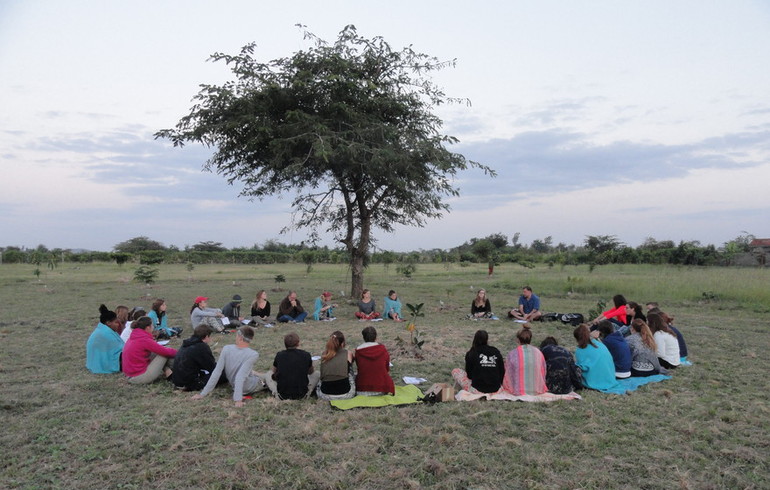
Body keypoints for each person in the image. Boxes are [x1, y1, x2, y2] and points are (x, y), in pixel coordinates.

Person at [193, 326, 264, 407]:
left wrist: (203, 394)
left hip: (238, 384)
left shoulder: (226, 349)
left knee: (254, 373)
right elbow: (240, 377)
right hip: (248, 386)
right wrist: (238, 399)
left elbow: (217, 372)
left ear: (240, 338)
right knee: (268, 377)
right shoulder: (253, 354)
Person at [263, 332, 320, 400]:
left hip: (282, 396)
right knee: (317, 374)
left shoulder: (280, 355)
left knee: (268, 374)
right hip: (302, 395)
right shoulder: (306, 355)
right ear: (298, 343)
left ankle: (275, 392)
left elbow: (273, 371)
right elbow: (311, 372)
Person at [123, 316, 178, 384]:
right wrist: (180, 353)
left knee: (160, 352)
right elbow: (165, 352)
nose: (153, 327)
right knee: (163, 354)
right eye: (152, 325)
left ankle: (170, 372)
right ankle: (178, 368)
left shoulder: (135, 336)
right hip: (138, 377)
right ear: (148, 327)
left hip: (130, 375)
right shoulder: (144, 339)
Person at [573, 324, 621, 391]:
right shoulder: (599, 343)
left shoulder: (580, 349)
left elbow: (582, 367)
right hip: (610, 377)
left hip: (595, 380)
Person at [501, 328, 548, 395]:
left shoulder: (513, 353)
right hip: (537, 389)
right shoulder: (538, 352)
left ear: (518, 339)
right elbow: (543, 370)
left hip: (517, 390)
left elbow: (507, 371)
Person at [172, 324, 218, 391]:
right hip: (191, 383)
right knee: (222, 373)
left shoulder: (186, 344)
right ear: (206, 336)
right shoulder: (201, 347)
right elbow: (211, 367)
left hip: (177, 381)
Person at [354, 326, 395, 395]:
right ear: (375, 337)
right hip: (382, 388)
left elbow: (359, 367)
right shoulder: (382, 349)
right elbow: (386, 368)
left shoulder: (358, 351)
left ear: (363, 338)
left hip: (362, 389)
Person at [316, 331, 356, 400]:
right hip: (346, 394)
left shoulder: (324, 354)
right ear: (343, 343)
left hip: (324, 394)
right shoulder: (348, 353)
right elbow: (350, 370)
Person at [86, 304, 124, 374]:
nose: (118, 325)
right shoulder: (106, 334)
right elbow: (123, 349)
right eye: (116, 322)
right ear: (108, 323)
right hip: (105, 365)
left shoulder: (101, 330)